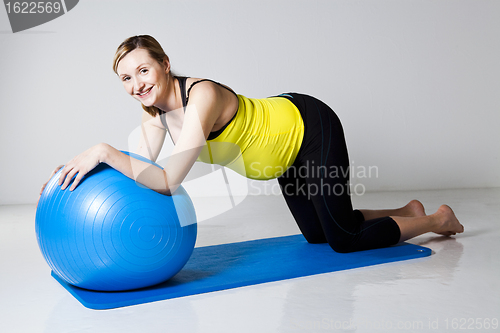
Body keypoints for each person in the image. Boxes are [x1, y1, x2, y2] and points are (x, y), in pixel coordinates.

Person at [39, 35, 464, 253]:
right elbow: (139, 169)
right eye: (126, 79)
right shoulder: (154, 113)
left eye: (143, 71)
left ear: (165, 64)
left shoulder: (200, 97)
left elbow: (167, 180)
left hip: (307, 129)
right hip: (281, 160)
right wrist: (80, 171)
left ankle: (435, 221)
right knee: (318, 234)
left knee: (343, 240)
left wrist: (103, 149)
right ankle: (406, 212)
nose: (137, 85)